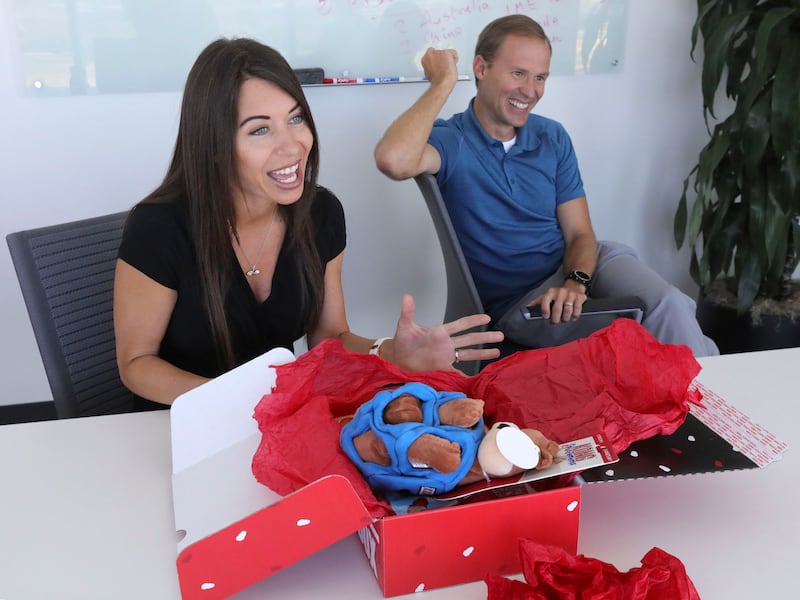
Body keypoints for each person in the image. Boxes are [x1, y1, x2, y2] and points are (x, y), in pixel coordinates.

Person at [113, 37, 504, 408]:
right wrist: (230, 404)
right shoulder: (158, 227)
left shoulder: (320, 213)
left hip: (272, 422)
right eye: (260, 129)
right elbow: (137, 364)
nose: (292, 146)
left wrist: (390, 351)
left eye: (296, 118)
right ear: (214, 145)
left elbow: (329, 337)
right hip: (173, 427)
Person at [374, 15, 718, 357]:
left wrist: (575, 282)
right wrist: (442, 83)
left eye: (540, 77)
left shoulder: (551, 136)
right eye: (518, 73)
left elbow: (581, 234)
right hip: (524, 301)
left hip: (586, 265)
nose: (531, 90)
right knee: (637, 332)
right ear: (481, 68)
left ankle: (708, 402)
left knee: (673, 304)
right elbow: (393, 160)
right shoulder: (451, 140)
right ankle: (711, 393)